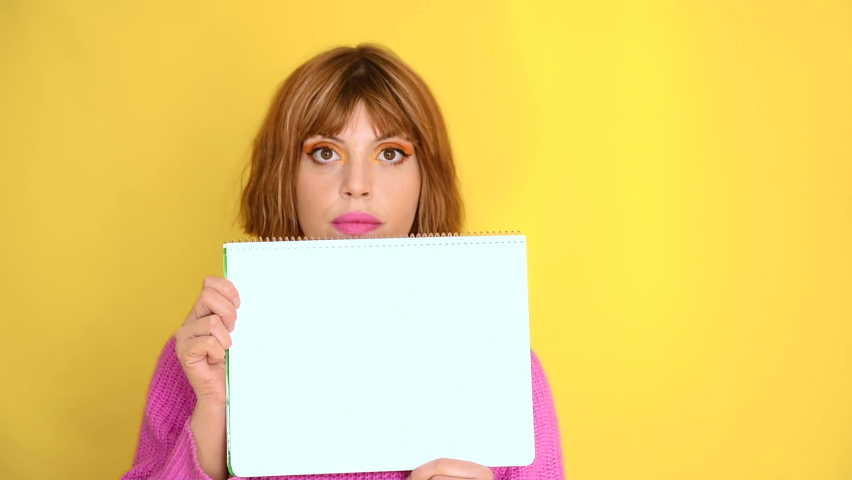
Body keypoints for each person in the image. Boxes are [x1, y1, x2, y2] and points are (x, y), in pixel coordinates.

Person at [122, 44, 564, 480]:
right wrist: (213, 411)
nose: (357, 184)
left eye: (390, 153)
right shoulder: (206, 353)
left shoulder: (503, 367)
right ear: (284, 175)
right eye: (325, 152)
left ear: (427, 177)